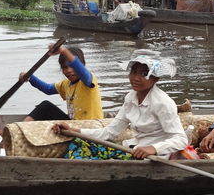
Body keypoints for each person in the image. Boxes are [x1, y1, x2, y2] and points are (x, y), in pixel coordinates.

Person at [52, 49, 187, 160]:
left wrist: (153, 149)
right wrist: (72, 130)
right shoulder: (130, 98)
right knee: (80, 142)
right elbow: (110, 132)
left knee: (91, 157)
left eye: (144, 74)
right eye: (133, 72)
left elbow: (181, 139)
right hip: (131, 149)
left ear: (155, 78)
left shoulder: (163, 102)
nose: (135, 78)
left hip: (151, 158)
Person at [0, 44, 102, 136]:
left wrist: (63, 51)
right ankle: (12, 134)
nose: (69, 71)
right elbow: (48, 89)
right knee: (45, 107)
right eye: (65, 67)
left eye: (72, 66)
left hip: (90, 128)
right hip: (73, 124)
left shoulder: (88, 81)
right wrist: (30, 77)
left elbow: (80, 69)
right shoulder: (66, 84)